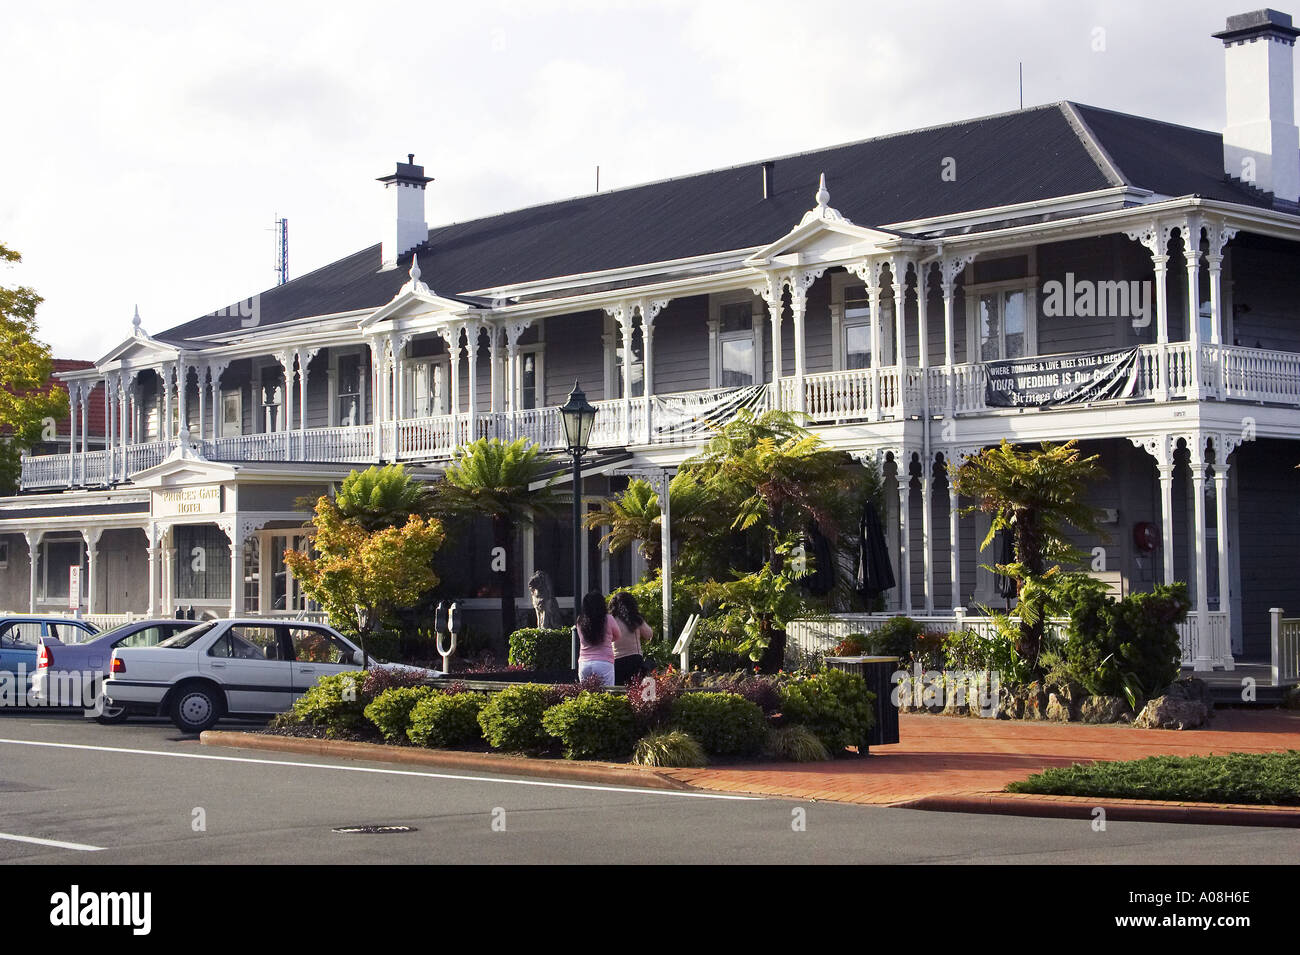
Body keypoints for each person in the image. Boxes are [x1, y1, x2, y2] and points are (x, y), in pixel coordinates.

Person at [575, 591, 619, 687]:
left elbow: (581, 637)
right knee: (607, 694)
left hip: (584, 662)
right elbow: (617, 635)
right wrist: (608, 640)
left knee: (587, 694)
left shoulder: (580, 620)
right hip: (604, 662)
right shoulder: (608, 618)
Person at [609, 591, 653, 684]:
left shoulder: (612, 620)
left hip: (616, 661)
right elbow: (649, 634)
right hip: (635, 660)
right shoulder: (635, 619)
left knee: (619, 691)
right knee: (635, 691)